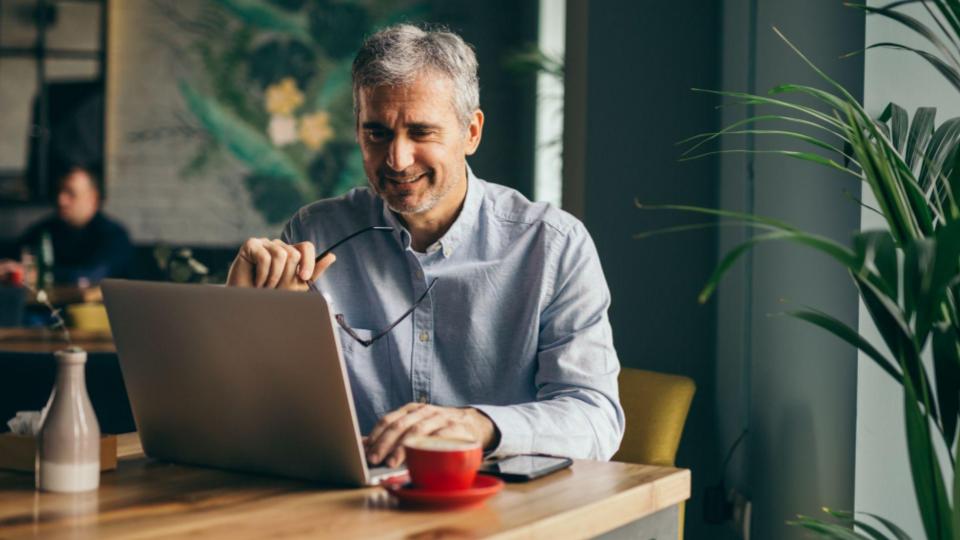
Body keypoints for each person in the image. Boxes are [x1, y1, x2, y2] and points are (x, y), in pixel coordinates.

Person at [227, 24, 624, 468]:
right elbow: (261, 420)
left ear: (471, 132)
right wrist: (247, 319)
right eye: (377, 133)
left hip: (500, 509)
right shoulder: (313, 233)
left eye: (421, 132)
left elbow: (596, 419)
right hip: (346, 509)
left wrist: (478, 425)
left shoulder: (553, 245)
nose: (396, 159)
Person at [1, 165, 132, 286]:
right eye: (59, 191)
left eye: (71, 193)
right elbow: (14, 252)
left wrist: (39, 274)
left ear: (93, 198)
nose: (61, 200)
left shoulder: (114, 236)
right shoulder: (48, 228)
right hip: (46, 306)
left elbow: (93, 275)